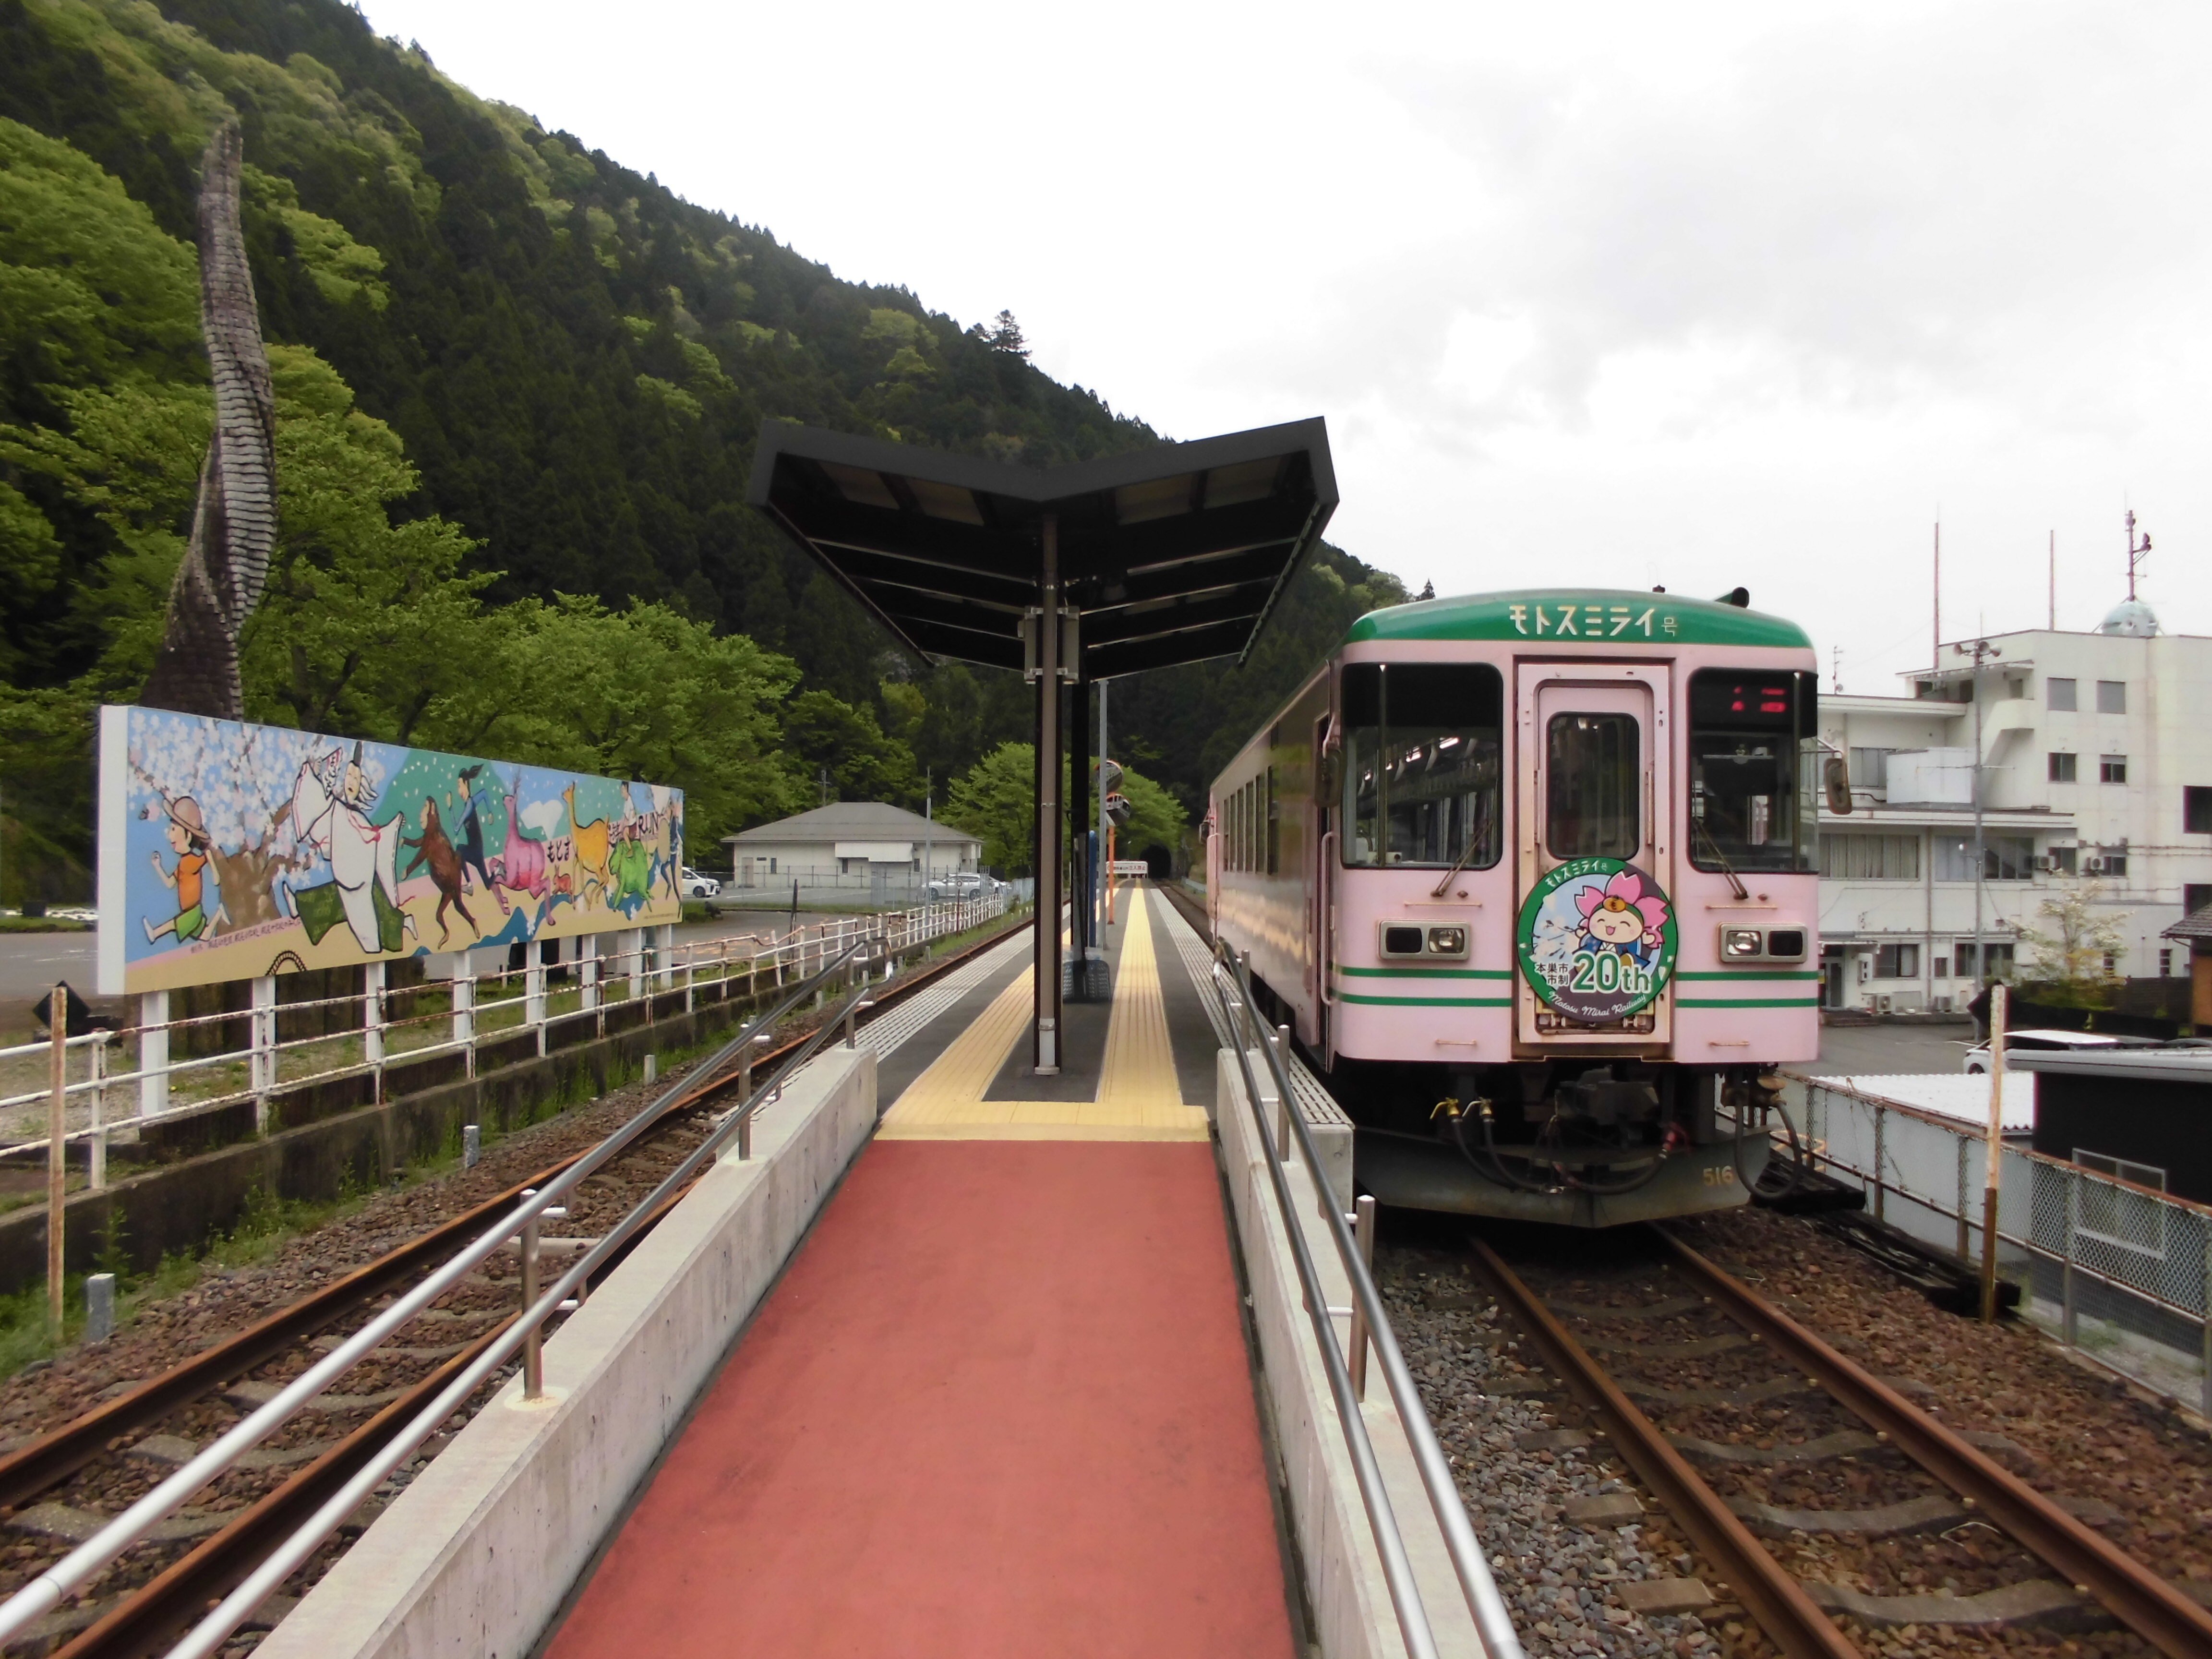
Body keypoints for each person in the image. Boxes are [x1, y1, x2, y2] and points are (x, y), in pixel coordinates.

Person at [144, 796, 223, 944]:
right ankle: (219, 913)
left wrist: (210, 860)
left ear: (188, 837)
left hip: (192, 911)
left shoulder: (190, 861)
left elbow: (214, 875)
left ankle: (155, 933)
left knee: (175, 924)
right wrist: (157, 866)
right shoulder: (183, 863)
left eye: (174, 829)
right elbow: (170, 884)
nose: (170, 835)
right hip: (192, 909)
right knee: (204, 935)